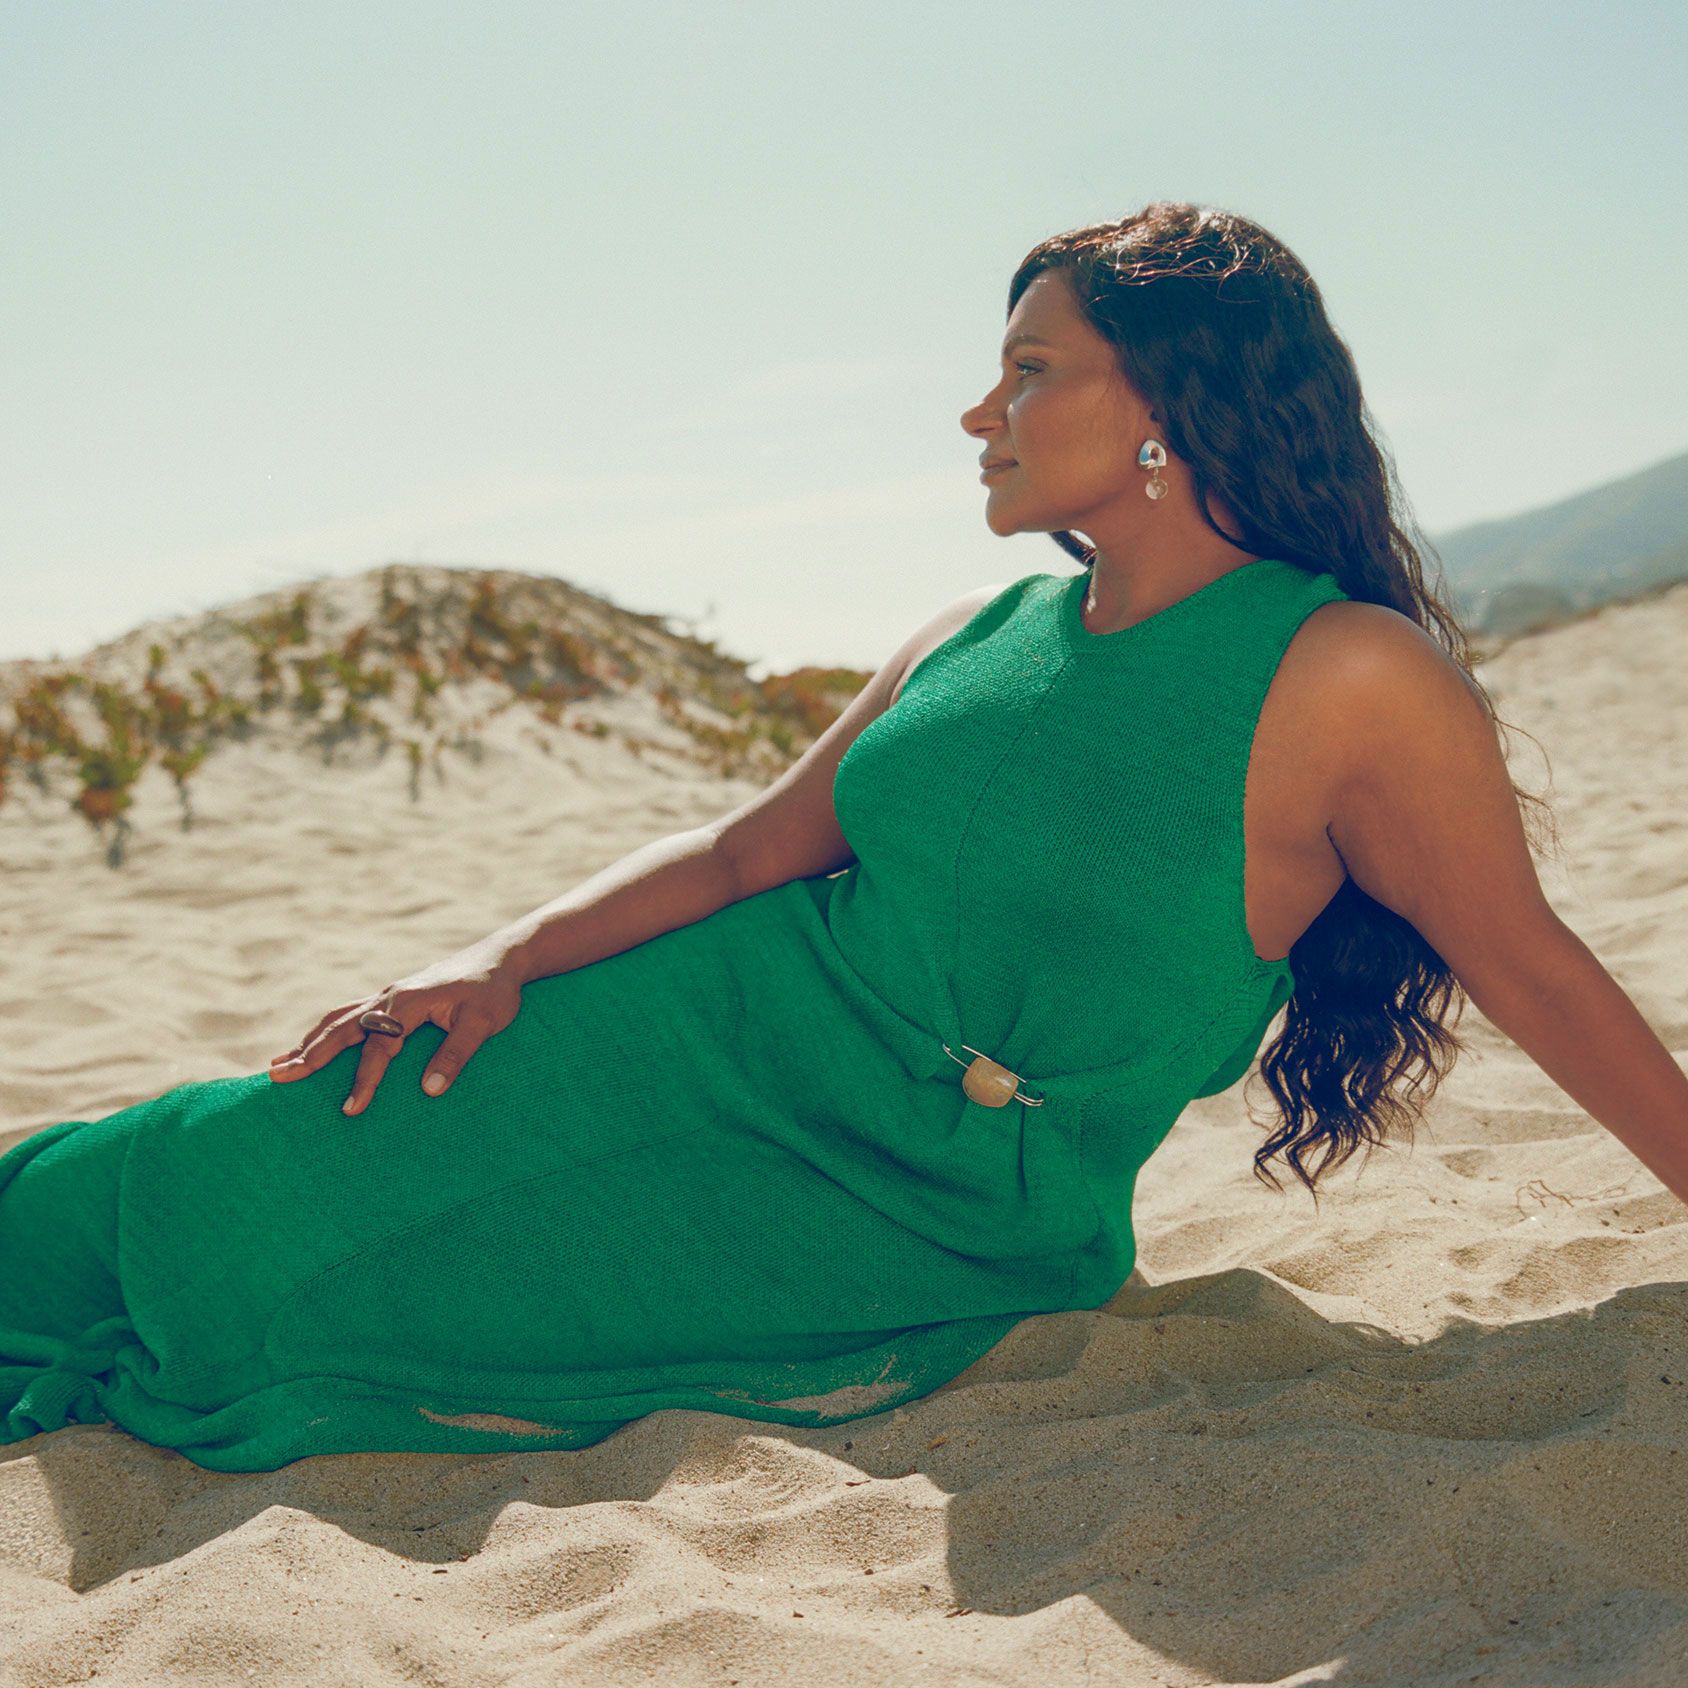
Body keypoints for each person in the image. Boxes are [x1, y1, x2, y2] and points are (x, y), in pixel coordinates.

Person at [8, 199, 1643, 1476]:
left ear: (1173, 406)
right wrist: (494, 959)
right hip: (685, 1032)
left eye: (1031, 370)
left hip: (917, 1206)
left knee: (298, 1303)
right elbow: (740, 855)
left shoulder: (1348, 673)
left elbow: (1533, 968)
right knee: (230, 1154)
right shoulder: (975, 627)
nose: (977, 412)